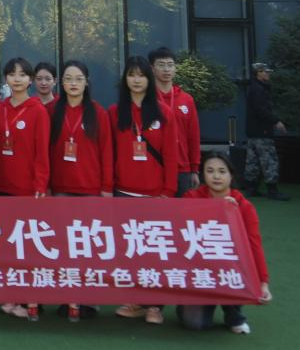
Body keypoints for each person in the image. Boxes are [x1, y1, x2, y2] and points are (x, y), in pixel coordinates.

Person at [110, 55, 176, 325]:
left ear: (149, 79)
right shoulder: (115, 113)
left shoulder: (164, 113)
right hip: (123, 192)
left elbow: (171, 155)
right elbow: (109, 153)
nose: (136, 80)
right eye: (131, 75)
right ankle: (135, 301)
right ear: (125, 79)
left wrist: (168, 191)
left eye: (141, 75)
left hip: (155, 194)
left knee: (154, 252)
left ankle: (155, 305)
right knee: (130, 251)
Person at [178, 151, 272, 334]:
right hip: (200, 270)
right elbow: (180, 228)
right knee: (194, 324)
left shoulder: (244, 206)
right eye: (210, 171)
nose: (216, 176)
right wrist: (217, 211)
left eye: (222, 171)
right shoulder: (191, 197)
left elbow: (254, 245)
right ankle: (203, 302)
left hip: (229, 269)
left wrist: (263, 283)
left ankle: (233, 312)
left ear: (231, 175)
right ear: (203, 174)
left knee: (236, 267)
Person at [0, 57, 48, 321]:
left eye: (23, 75)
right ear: (6, 79)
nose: (17, 79)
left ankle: (30, 299)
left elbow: (41, 153)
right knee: (7, 245)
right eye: (12, 74)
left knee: (28, 246)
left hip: (26, 188)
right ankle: (11, 294)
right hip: (1, 186)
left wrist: (40, 184)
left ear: (30, 80)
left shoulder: (37, 110)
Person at [49, 60, 112, 322]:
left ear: (86, 82)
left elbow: (106, 152)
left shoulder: (98, 112)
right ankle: (68, 298)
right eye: (68, 78)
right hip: (61, 188)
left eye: (78, 79)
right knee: (65, 247)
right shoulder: (53, 110)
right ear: (61, 83)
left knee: (88, 247)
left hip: (90, 189)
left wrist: (106, 188)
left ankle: (89, 301)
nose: (73, 83)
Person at [149, 47, 200, 196]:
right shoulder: (146, 99)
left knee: (183, 209)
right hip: (154, 166)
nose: (166, 69)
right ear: (152, 69)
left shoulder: (186, 100)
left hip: (182, 168)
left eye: (170, 65)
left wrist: (194, 169)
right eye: (161, 65)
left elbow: (193, 136)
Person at [244, 62, 289, 200]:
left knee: (252, 161)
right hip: (262, 131)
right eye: (266, 72)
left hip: (253, 131)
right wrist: (276, 121)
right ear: (259, 73)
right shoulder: (259, 89)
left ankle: (251, 188)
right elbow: (261, 110)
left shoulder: (253, 88)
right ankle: (272, 190)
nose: (268, 74)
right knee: (269, 160)